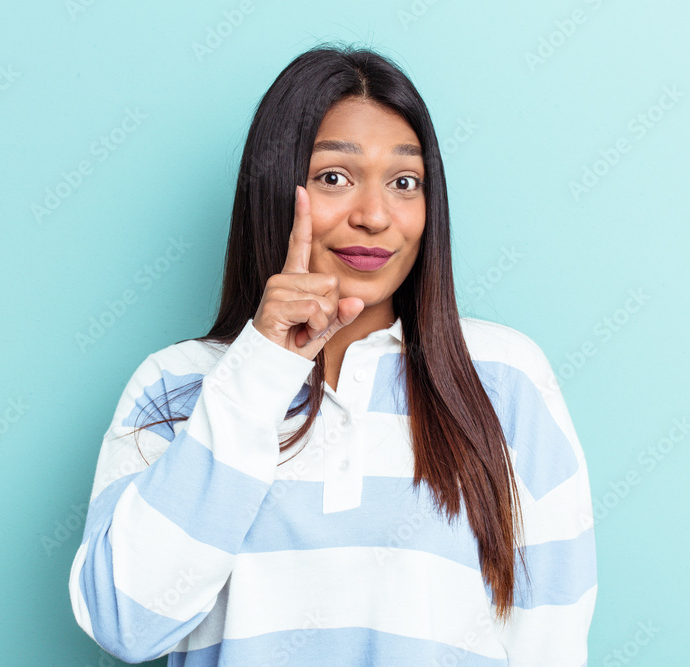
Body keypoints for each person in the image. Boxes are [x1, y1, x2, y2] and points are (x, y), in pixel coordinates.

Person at [69, 42, 597, 666]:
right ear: (275, 187)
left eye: (404, 182)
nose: (374, 216)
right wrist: (262, 369)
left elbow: (550, 641)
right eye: (334, 178)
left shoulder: (503, 378)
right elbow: (125, 622)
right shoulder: (177, 384)